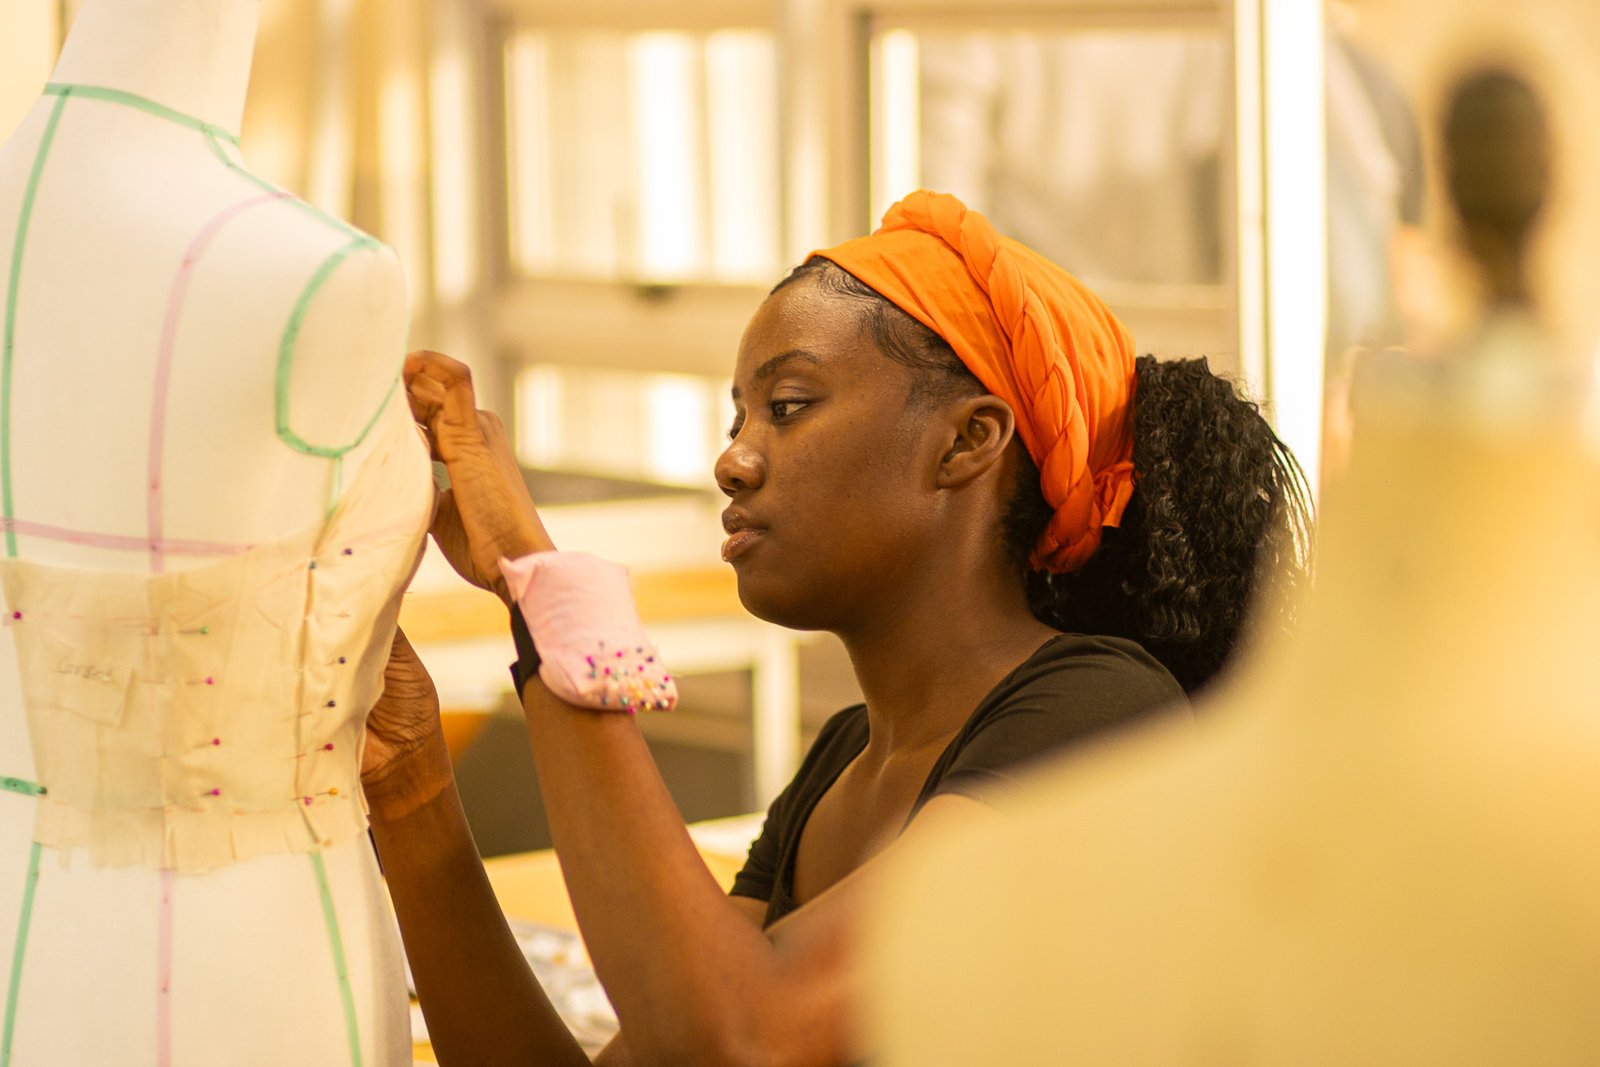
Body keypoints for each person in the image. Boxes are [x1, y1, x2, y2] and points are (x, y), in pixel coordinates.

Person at [367, 191, 1311, 1064]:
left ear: (967, 441)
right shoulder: (844, 761)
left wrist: (541, 580)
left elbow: (739, 1031)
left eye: (787, 407)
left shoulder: (1101, 709)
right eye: (739, 415)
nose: (733, 460)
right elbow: (675, 1041)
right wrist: (413, 795)